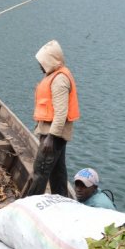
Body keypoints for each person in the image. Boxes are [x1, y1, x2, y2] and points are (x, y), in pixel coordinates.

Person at [23, 40, 79, 197]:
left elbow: (61, 113)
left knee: (39, 174)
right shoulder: (55, 75)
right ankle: (62, 203)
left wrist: (50, 137)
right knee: (58, 175)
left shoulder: (59, 80)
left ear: (50, 61)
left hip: (53, 136)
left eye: (42, 62)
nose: (40, 65)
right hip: (55, 136)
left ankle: (29, 206)